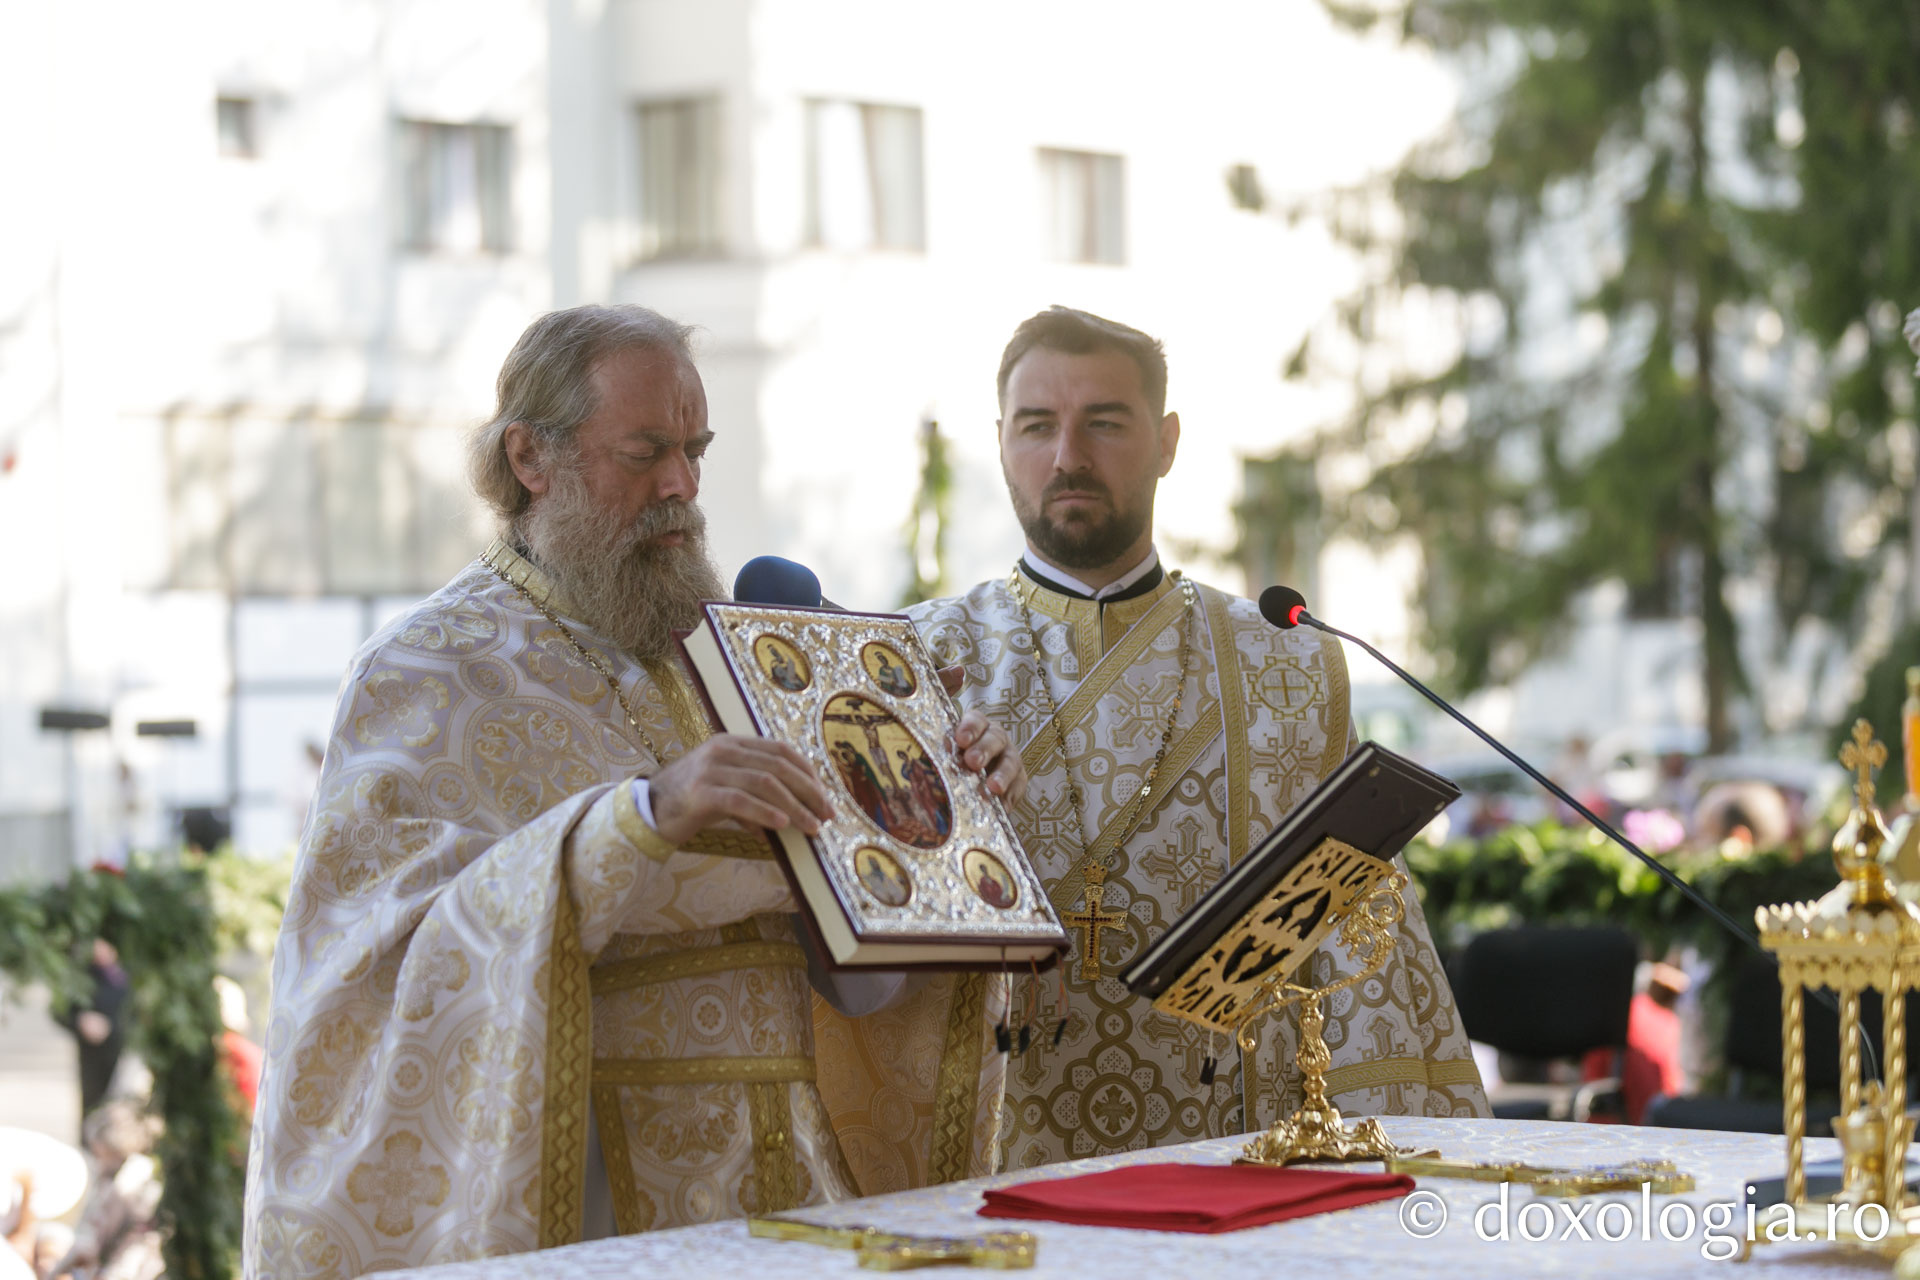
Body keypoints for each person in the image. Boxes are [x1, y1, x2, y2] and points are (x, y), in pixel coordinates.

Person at [244, 305, 1023, 1276]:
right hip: (588, 1207)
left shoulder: (749, 655)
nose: (682, 486)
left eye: (695, 449)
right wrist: (638, 821)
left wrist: (932, 810)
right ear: (531, 457)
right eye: (646, 450)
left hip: (787, 1192)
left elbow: (851, 969)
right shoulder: (422, 672)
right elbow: (378, 971)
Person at [909, 306, 1488, 1168]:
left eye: (1104, 423)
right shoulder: (919, 657)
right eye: (1038, 427)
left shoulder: (1287, 665)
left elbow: (1363, 940)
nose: (1068, 457)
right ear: (1000, 442)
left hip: (1234, 1155)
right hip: (999, 1152)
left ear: (1168, 440)